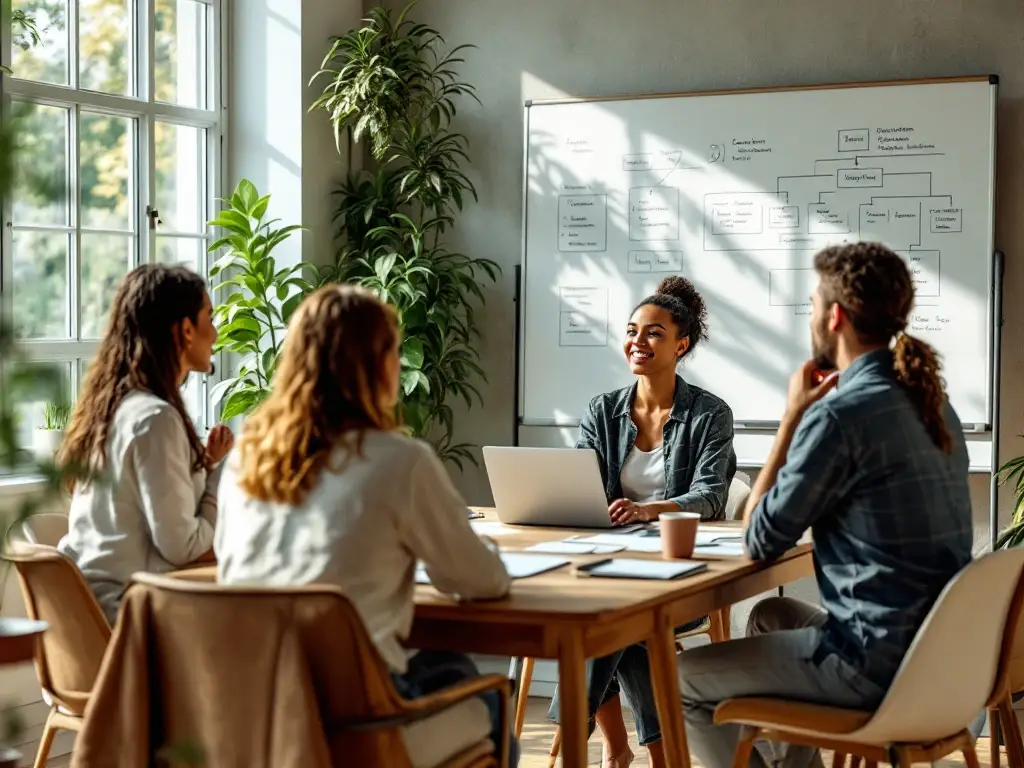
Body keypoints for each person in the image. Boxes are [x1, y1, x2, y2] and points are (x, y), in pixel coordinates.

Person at [679, 242, 974, 768]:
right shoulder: (935, 404)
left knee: (678, 679)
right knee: (771, 614)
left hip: (871, 667)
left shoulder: (840, 417)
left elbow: (758, 540)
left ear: (835, 316)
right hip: (937, 660)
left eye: (813, 303)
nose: (811, 315)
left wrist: (791, 417)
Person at [214, 284, 518, 765]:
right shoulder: (399, 460)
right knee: (490, 699)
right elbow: (482, 580)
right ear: (377, 366)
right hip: (355, 728)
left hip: (251, 718)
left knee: (447, 666)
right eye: (394, 351)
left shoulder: (244, 460)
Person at [549, 276, 737, 768]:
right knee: (613, 615)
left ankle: (612, 746)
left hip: (679, 570)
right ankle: (647, 755)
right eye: (633, 331)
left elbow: (711, 495)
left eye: (654, 333)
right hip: (610, 560)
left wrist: (648, 510)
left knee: (620, 621)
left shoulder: (710, 414)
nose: (638, 341)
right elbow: (582, 485)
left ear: (681, 346)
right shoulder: (602, 410)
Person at [58, 264, 234, 624]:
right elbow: (182, 547)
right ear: (186, 329)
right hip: (131, 618)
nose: (216, 333)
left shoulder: (114, 407)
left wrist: (206, 466)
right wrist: (227, 473)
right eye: (210, 318)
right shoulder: (156, 419)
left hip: (88, 612)